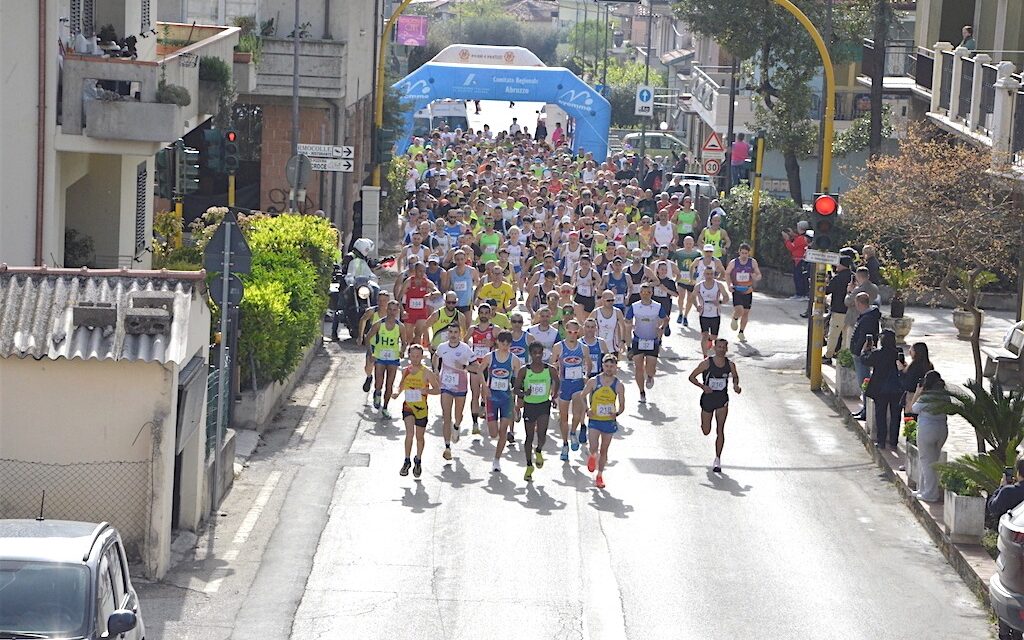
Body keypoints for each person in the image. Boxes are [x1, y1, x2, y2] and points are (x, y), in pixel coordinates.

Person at [688, 338, 742, 473]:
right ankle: (704, 424)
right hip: (708, 399)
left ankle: (717, 459)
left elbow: (735, 376)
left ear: (727, 349)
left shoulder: (730, 365)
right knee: (706, 430)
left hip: (722, 400)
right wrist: (703, 386)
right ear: (714, 348)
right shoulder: (706, 363)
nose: (721, 350)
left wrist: (736, 385)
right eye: (719, 347)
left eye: (724, 347)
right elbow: (691, 377)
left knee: (720, 429)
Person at [515, 342, 560, 482]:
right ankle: (529, 466)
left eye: (540, 353)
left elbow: (557, 381)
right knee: (529, 437)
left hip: (543, 405)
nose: (537, 355)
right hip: (529, 406)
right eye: (534, 353)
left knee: (542, 434)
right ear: (530, 354)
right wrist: (524, 393)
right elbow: (515, 389)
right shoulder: (524, 370)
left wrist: (554, 395)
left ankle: (539, 450)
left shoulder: (550, 369)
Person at [580, 354, 626, 489]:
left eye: (612, 366)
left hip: (608, 421)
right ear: (602, 366)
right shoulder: (594, 381)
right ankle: (592, 456)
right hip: (595, 419)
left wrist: (616, 413)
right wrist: (587, 409)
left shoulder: (619, 385)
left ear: (616, 367)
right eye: (607, 366)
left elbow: (622, 405)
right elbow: (582, 396)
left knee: (604, 449)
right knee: (594, 447)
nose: (609, 369)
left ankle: (599, 475)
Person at [395, 345, 440, 477]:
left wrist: (427, 391)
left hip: (421, 409)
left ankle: (418, 460)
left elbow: (438, 389)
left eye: (418, 356)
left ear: (422, 357)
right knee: (409, 434)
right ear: (409, 356)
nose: (415, 359)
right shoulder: (405, 371)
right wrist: (397, 393)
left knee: (419, 437)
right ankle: (406, 460)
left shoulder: (427, 372)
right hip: (408, 407)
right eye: (413, 356)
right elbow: (401, 386)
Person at [551, 319, 592, 460]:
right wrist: (554, 382)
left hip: (578, 384)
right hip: (564, 385)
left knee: (577, 413)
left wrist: (586, 375)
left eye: (575, 332)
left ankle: (573, 432)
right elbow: (552, 364)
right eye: (569, 332)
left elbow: (589, 363)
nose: (572, 335)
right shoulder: (558, 347)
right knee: (563, 418)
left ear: (578, 332)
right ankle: (564, 444)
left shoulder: (583, 348)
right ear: (565, 332)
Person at [483, 331, 522, 473]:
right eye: (502, 343)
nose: (505, 347)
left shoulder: (514, 360)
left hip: (506, 398)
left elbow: (518, 380)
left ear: (510, 344)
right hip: (492, 398)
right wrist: (484, 387)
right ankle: (495, 424)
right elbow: (480, 371)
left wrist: (516, 396)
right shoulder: (490, 357)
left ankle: (496, 460)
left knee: (503, 431)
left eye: (507, 344)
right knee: (493, 434)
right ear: (497, 342)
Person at [434, 327, 475, 459]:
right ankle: (447, 447)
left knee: (458, 416)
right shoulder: (442, 347)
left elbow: (476, 367)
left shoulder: (465, 348)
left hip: (460, 387)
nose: (453, 335)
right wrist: (436, 369)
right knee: (446, 417)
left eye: (456, 332)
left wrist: (463, 367)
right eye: (450, 332)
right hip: (446, 386)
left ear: (460, 334)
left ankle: (457, 427)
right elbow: (436, 356)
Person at [908, 370, 948, 502]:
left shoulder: (926, 396)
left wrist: (917, 393)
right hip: (942, 429)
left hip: (927, 430)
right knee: (932, 461)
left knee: (926, 461)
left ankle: (930, 494)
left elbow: (912, 409)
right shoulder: (944, 396)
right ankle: (923, 489)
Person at [626, 283, 669, 403]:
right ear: (640, 293)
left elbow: (665, 319)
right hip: (638, 339)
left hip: (652, 340)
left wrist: (661, 328)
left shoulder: (657, 306)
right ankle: (641, 392)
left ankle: (650, 376)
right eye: (643, 292)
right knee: (638, 368)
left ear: (652, 293)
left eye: (648, 292)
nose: (646, 295)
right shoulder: (635, 306)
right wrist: (629, 325)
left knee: (651, 368)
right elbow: (627, 319)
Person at [864, 329, 903, 450]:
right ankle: (893, 442)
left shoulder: (877, 354)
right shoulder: (898, 353)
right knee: (895, 416)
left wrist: (866, 349)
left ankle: (881, 441)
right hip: (896, 388)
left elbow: (865, 360)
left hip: (880, 389)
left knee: (880, 415)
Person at [365, 300, 405, 419]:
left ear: (398, 311)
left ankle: (386, 408)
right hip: (380, 357)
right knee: (379, 382)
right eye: (390, 309)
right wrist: (370, 353)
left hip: (393, 358)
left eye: (394, 310)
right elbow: (368, 338)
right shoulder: (379, 324)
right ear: (387, 310)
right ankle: (377, 393)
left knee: (389, 384)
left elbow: (404, 342)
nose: (392, 312)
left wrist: (402, 351)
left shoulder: (400, 327)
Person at [849, 292, 882, 420]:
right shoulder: (868, 316)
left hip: (862, 355)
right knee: (863, 382)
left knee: (864, 382)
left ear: (859, 303)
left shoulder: (867, 318)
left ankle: (866, 411)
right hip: (861, 354)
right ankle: (864, 409)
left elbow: (864, 337)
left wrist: (857, 352)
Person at [724, 242, 762, 341]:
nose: (744, 255)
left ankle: (741, 333)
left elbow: (759, 274)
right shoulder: (734, 262)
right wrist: (729, 285)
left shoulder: (752, 262)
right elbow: (727, 274)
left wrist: (756, 277)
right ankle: (735, 318)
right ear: (739, 252)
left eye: (746, 253)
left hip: (748, 289)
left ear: (749, 253)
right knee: (739, 310)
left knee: (746, 312)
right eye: (742, 253)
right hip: (737, 289)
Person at [822, 258, 854, 363]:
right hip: (851, 311)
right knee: (846, 336)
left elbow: (827, 290)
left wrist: (825, 282)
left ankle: (828, 355)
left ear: (842, 265)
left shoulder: (838, 278)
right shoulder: (853, 277)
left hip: (838, 311)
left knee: (833, 335)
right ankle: (843, 357)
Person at [695, 262, 729, 357]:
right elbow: (692, 297)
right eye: (707, 274)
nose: (709, 276)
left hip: (715, 314)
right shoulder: (699, 286)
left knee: (714, 336)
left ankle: (710, 340)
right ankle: (705, 355)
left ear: (714, 275)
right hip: (704, 314)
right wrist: (697, 305)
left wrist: (720, 302)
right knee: (704, 335)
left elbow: (726, 297)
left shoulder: (719, 285)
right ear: (704, 274)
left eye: (711, 274)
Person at [897, 342, 934, 417]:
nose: (909, 351)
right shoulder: (929, 365)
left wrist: (901, 371)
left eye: (911, 350)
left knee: (911, 421)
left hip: (912, 398)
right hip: (925, 398)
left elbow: (907, 384)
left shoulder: (914, 366)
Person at [782, 222, 810, 299]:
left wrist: (787, 239)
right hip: (801, 260)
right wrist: (792, 235)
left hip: (799, 260)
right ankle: (801, 294)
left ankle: (800, 294)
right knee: (800, 277)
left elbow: (791, 247)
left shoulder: (801, 238)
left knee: (798, 277)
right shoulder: (803, 237)